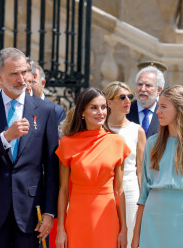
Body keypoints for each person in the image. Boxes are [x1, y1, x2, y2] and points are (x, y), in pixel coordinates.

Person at [0, 47, 59, 248]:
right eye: (14, 73)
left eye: (24, 71)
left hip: (31, 216)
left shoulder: (45, 111)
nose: (22, 78)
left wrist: (50, 213)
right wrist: (5, 137)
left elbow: (52, 169)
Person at [55, 87, 131, 248]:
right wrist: (61, 228)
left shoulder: (117, 142)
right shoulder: (68, 144)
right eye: (94, 107)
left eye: (103, 107)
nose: (100, 112)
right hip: (77, 217)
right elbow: (63, 190)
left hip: (107, 217)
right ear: (82, 112)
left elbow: (119, 190)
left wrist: (123, 228)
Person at [132, 85, 183, 248]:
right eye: (158, 106)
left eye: (163, 106)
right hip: (153, 219)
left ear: (179, 110)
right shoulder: (152, 143)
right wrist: (136, 235)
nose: (157, 111)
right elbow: (144, 194)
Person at [104, 81, 146, 248]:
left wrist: (143, 202)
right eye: (122, 97)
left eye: (130, 96)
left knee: (128, 241)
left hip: (129, 192)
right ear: (109, 102)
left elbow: (141, 171)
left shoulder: (138, 131)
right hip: (103, 191)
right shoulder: (100, 128)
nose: (128, 101)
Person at [127, 65, 165, 138]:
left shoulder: (165, 112)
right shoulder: (125, 110)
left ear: (159, 90)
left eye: (148, 85)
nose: (143, 89)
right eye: (140, 84)